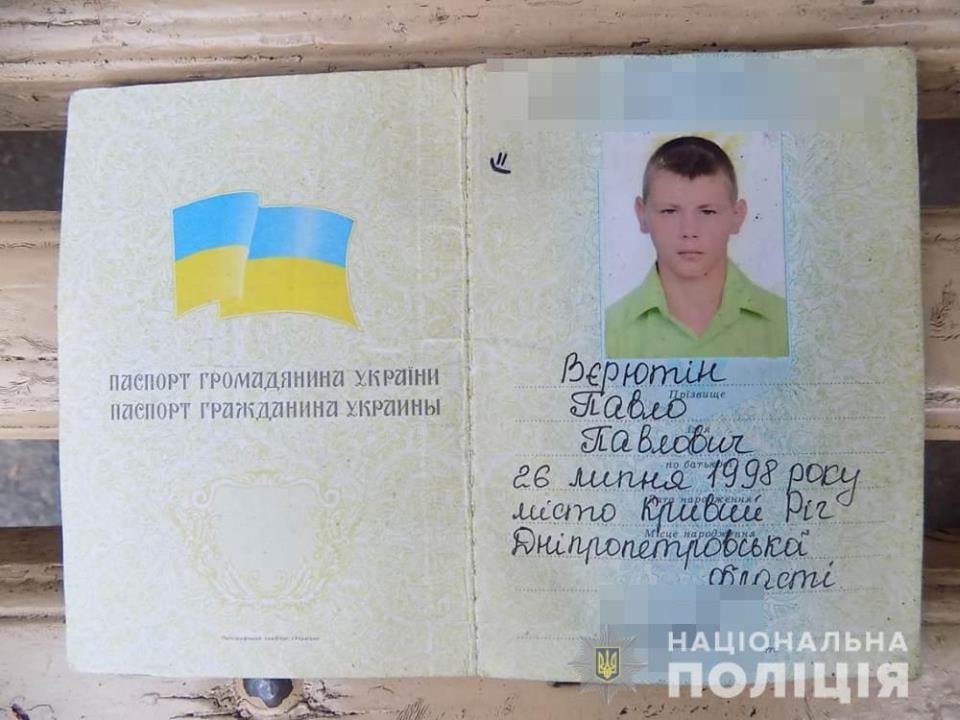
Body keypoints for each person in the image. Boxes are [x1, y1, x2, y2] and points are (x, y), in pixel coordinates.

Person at [605, 136, 788, 358]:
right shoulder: (607, 334)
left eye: (708, 212)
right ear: (642, 215)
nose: (689, 231)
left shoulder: (787, 326)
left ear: (737, 216)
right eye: (669, 211)